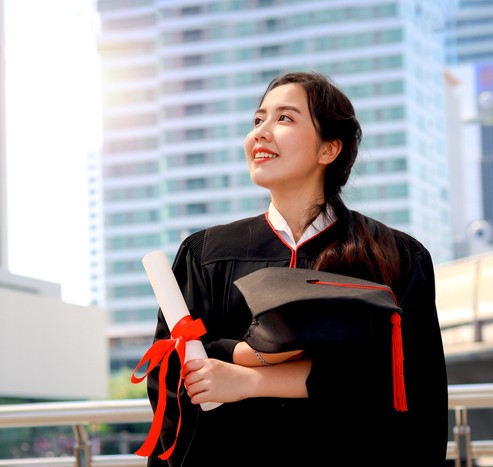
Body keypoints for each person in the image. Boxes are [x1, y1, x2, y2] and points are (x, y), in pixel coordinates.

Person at [142, 71, 448, 466]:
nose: (261, 133)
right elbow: (170, 384)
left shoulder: (394, 256)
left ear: (329, 149)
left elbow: (415, 391)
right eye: (257, 120)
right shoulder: (207, 253)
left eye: (284, 119)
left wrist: (239, 363)